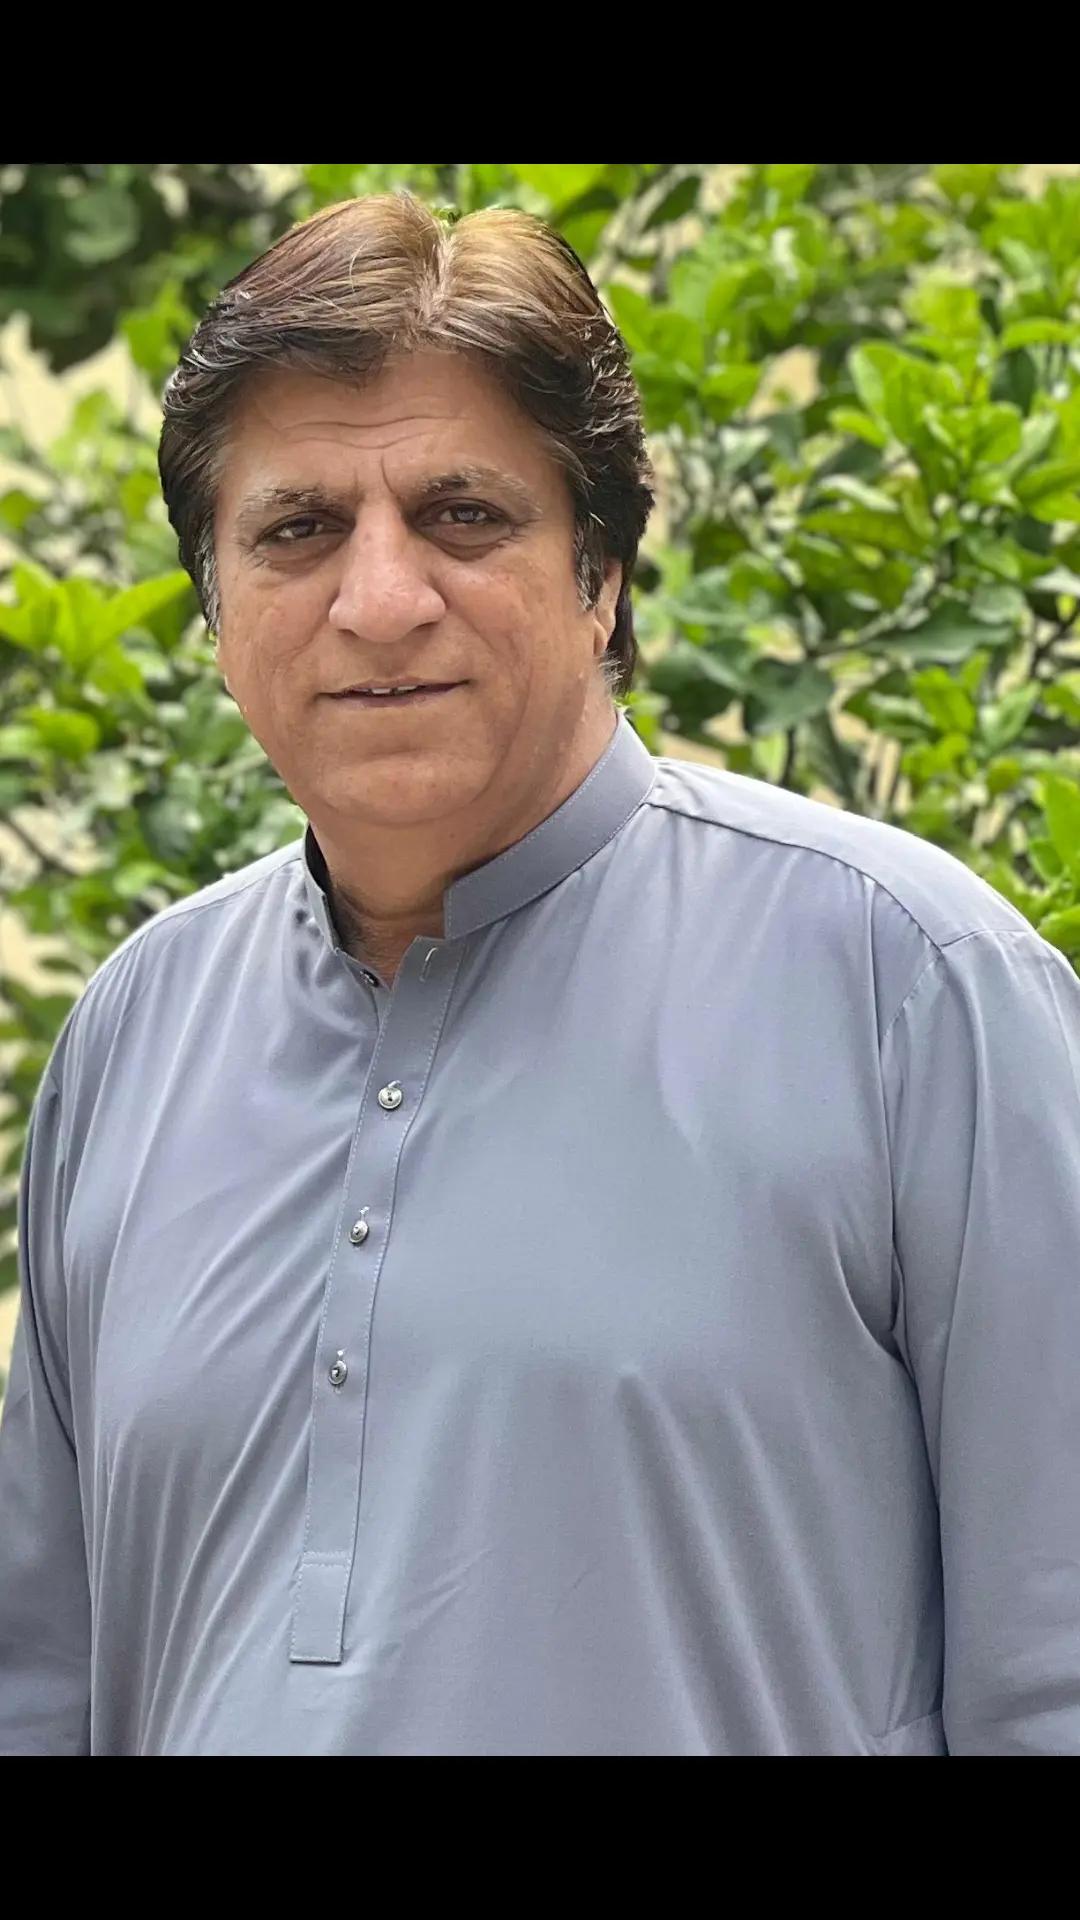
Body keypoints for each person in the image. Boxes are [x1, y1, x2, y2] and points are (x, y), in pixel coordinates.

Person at [2, 192, 1079, 1758]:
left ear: (603, 571)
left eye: (463, 516)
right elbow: (40, 1691)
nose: (380, 600)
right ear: (215, 607)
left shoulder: (911, 988)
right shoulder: (133, 1037)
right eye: (299, 530)